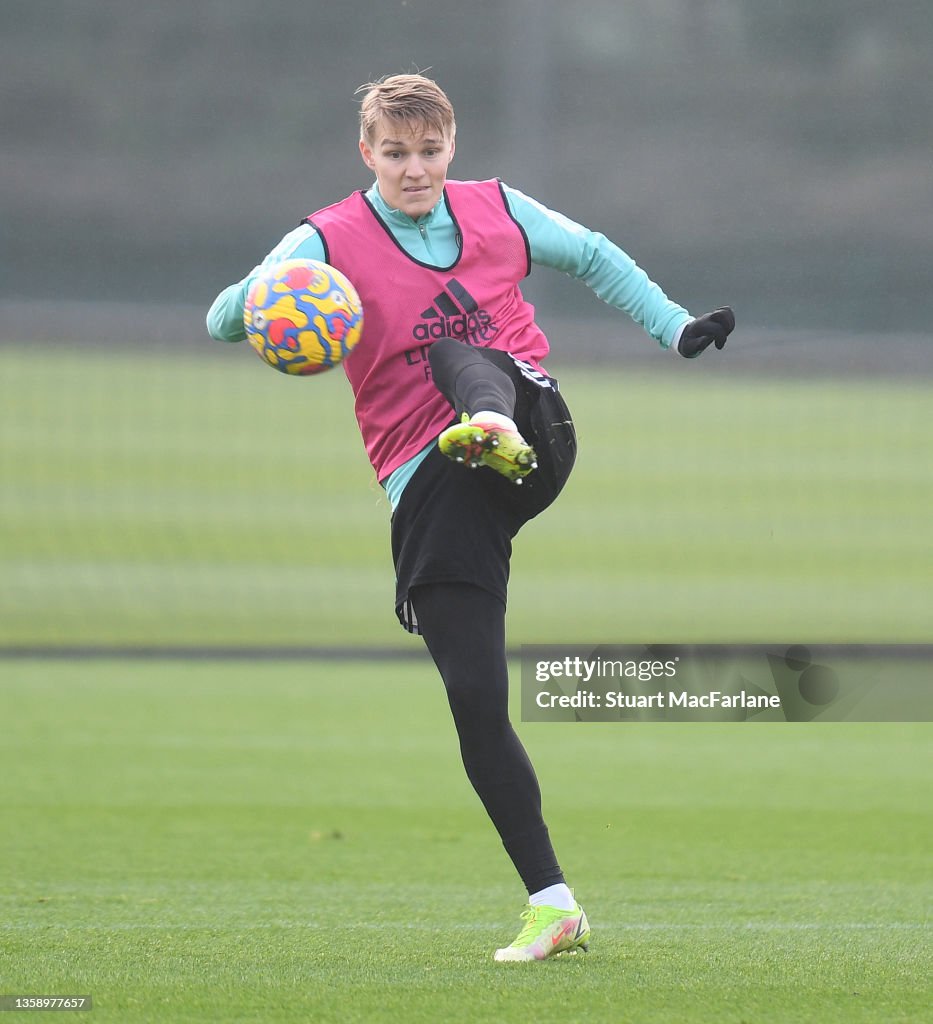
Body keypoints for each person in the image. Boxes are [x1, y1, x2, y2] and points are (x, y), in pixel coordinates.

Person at [206, 73, 734, 962]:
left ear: (451, 146)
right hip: (428, 483)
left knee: (468, 352)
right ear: (366, 153)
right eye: (394, 152)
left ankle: (486, 422)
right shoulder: (326, 238)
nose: (414, 169)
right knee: (476, 701)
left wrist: (676, 329)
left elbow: (596, 253)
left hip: (530, 423)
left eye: (429, 150)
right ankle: (553, 904)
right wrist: (276, 295)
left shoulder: (499, 210)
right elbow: (224, 317)